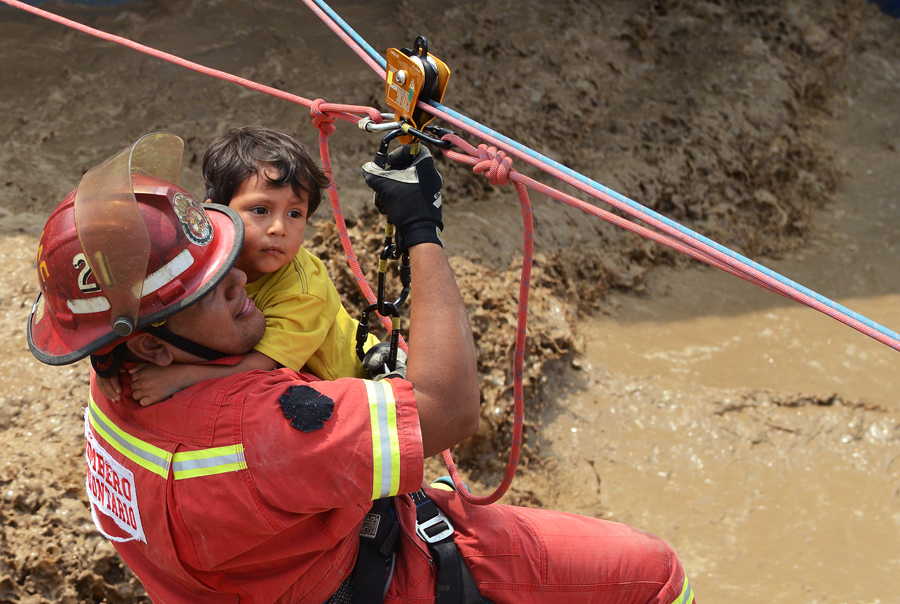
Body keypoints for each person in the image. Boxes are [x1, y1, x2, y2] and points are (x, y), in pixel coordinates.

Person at [27, 132, 695, 604]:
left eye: (223, 263)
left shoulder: (114, 375)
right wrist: (420, 230)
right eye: (208, 290)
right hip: (375, 579)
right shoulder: (263, 430)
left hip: (233, 578)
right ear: (151, 344)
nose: (236, 279)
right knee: (655, 573)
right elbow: (453, 407)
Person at [97, 126, 381, 406]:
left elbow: (264, 364)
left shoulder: (302, 288)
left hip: (353, 378)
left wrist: (180, 376)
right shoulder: (202, 246)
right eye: (261, 210)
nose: (279, 228)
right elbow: (144, 288)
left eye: (295, 213)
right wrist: (105, 356)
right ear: (214, 211)